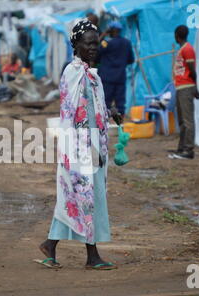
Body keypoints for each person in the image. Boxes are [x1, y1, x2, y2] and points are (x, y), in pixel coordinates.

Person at [38, 19, 117, 271]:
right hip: (79, 148)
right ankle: (91, 256)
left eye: (96, 44)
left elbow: (94, 109)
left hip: (89, 145)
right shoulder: (73, 72)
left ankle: (50, 245)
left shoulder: (92, 75)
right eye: (88, 44)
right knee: (84, 196)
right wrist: (87, 148)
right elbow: (74, 113)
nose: (94, 48)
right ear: (76, 45)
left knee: (75, 197)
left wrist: (110, 113)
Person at [168, 25, 199, 160]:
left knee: (187, 121)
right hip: (180, 87)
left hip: (186, 87)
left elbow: (193, 71)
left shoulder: (187, 49)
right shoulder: (183, 49)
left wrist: (195, 88)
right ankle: (181, 148)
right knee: (182, 120)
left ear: (176, 35)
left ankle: (188, 149)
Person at [98, 21, 134, 119]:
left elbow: (97, 51)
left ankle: (105, 123)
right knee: (120, 103)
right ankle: (120, 124)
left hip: (107, 78)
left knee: (105, 102)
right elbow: (131, 60)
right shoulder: (127, 43)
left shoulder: (106, 43)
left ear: (111, 30)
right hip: (120, 77)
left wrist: (103, 34)